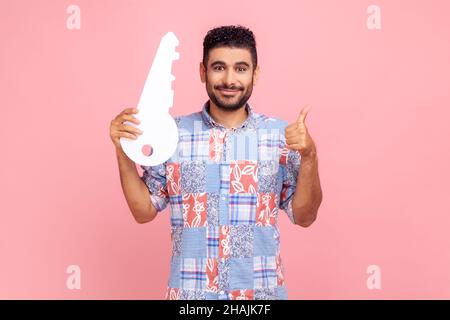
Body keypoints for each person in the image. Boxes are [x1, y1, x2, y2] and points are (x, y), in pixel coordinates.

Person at [109, 25, 322, 300]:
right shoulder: (172, 135)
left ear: (255, 74)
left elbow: (305, 217)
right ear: (202, 71)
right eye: (219, 67)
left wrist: (310, 156)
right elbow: (144, 211)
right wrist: (124, 150)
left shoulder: (281, 137)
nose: (229, 80)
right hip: (192, 298)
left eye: (241, 68)